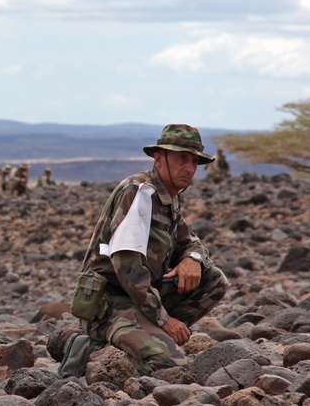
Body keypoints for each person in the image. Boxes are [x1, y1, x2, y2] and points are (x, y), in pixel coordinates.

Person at [62, 124, 229, 378]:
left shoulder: (169, 196)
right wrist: (164, 320)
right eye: (181, 158)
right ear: (159, 159)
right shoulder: (140, 192)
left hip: (141, 299)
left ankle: (147, 335)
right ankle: (91, 347)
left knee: (213, 279)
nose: (189, 168)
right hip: (109, 303)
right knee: (170, 365)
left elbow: (192, 241)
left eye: (194, 161)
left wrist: (192, 259)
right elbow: (128, 269)